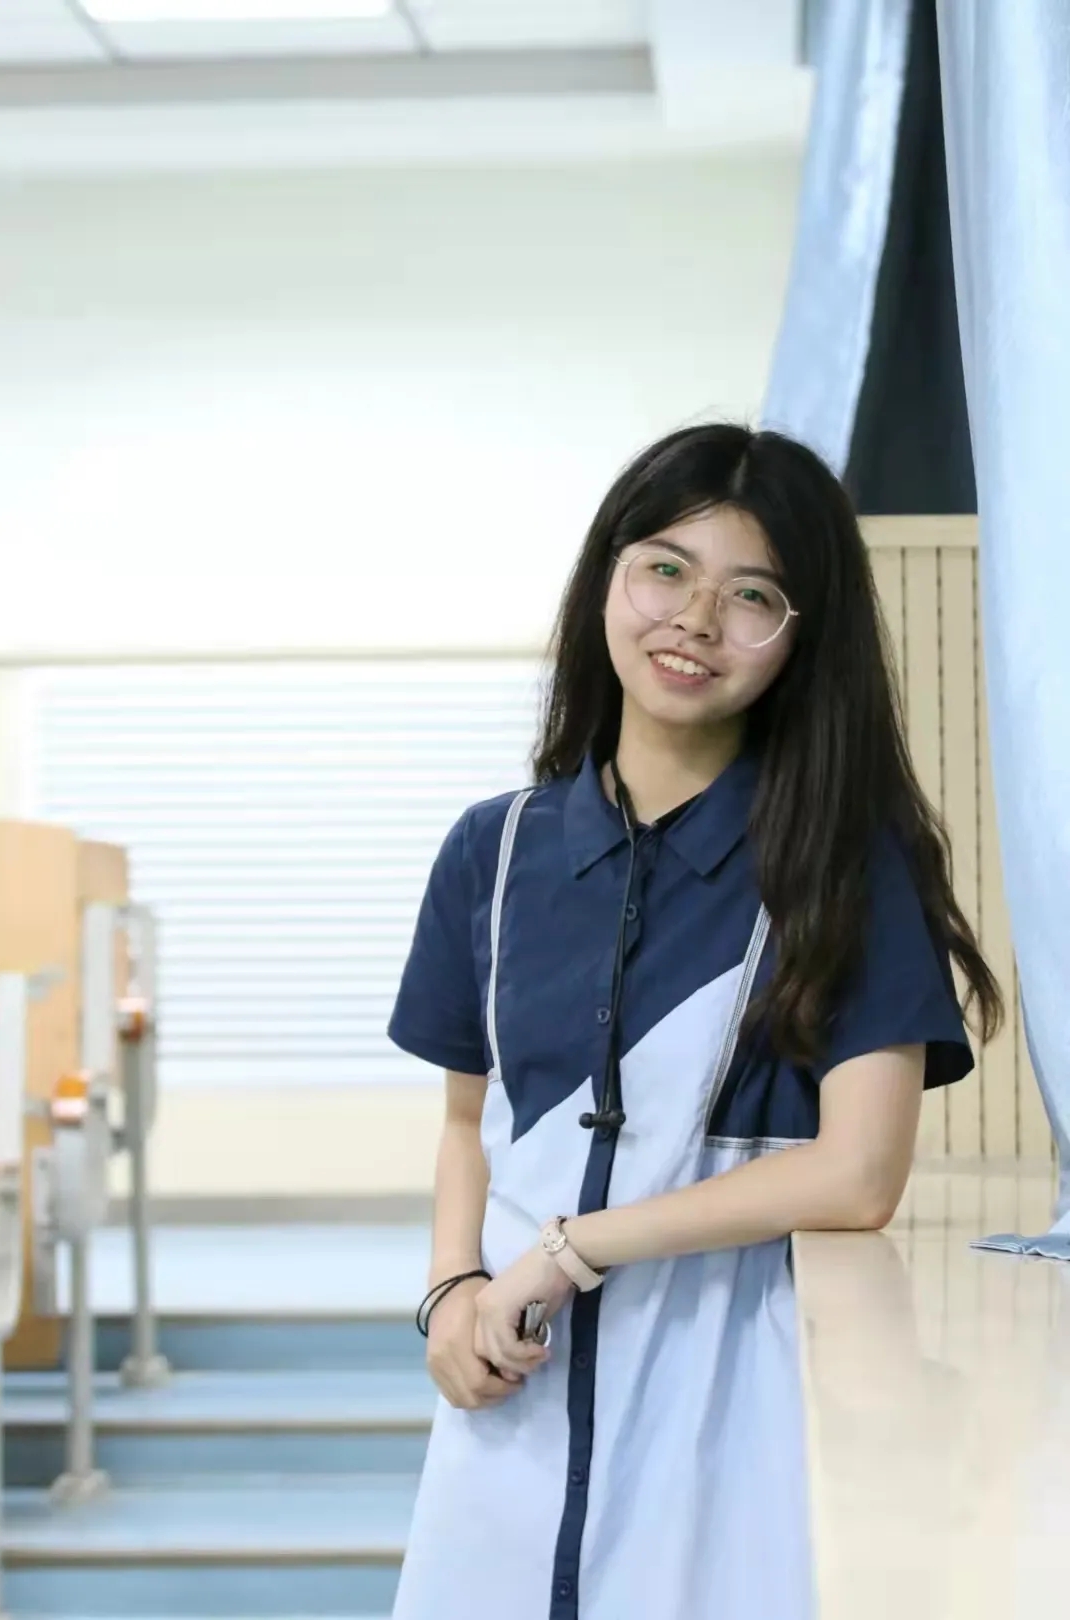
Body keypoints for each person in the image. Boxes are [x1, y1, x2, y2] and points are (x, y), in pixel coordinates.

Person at [386, 423, 1002, 1620]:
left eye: (752, 595)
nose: (696, 620)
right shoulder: (490, 852)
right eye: (665, 569)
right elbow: (469, 1120)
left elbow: (859, 1173)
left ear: (801, 636)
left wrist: (577, 1247)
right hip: (509, 1404)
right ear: (606, 579)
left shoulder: (842, 865)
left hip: (728, 1399)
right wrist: (451, 1290)